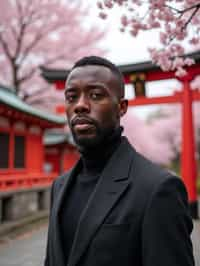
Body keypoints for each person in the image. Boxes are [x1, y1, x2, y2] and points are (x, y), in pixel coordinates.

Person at [44, 56, 194, 266]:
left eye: (96, 95)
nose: (80, 106)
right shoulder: (59, 186)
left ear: (121, 107)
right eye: (71, 97)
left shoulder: (157, 189)